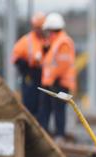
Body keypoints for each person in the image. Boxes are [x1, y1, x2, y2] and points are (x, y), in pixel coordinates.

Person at [37, 12, 76, 140]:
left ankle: (60, 136)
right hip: (51, 83)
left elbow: (62, 64)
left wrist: (52, 78)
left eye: (47, 31)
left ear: (51, 30)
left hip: (60, 83)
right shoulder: (55, 42)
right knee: (46, 110)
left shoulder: (63, 42)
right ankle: (45, 134)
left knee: (59, 110)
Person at [11, 12, 46, 116]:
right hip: (29, 77)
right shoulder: (26, 41)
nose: (39, 30)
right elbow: (15, 58)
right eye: (37, 27)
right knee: (30, 104)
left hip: (43, 77)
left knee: (43, 107)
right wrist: (25, 68)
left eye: (41, 27)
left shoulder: (47, 40)